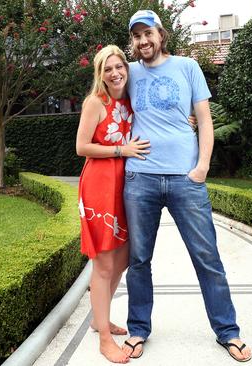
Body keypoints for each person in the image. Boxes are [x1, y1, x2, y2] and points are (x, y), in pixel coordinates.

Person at [121, 10, 252, 362]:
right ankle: (137, 329)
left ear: (161, 35)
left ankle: (228, 331)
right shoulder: (127, 72)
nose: (143, 41)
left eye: (147, 33)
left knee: (207, 256)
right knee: (138, 259)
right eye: (136, 36)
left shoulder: (187, 67)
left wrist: (202, 167)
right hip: (140, 178)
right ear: (132, 42)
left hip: (185, 178)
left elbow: (204, 120)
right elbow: (103, 102)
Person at [75, 44, 151, 364]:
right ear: (100, 74)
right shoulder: (96, 102)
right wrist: (122, 151)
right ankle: (104, 339)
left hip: (125, 185)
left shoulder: (130, 101)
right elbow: (81, 147)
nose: (115, 73)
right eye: (108, 68)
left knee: (121, 261)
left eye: (119, 66)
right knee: (104, 265)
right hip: (99, 187)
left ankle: (98, 319)